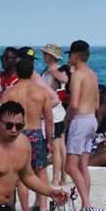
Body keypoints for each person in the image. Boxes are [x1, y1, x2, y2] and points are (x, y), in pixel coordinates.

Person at [0, 58, 53, 211]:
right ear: (32, 72)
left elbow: (0, 117)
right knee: (41, 171)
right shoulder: (41, 92)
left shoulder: (9, 92)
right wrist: (49, 140)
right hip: (36, 133)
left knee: (20, 174)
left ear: (16, 72)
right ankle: (43, 208)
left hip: (17, 134)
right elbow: (49, 119)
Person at [64, 40, 99, 211]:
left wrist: (67, 119)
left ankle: (86, 204)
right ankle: (86, 204)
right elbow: (98, 103)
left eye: (70, 55)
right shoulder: (92, 74)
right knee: (83, 165)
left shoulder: (78, 75)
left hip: (81, 119)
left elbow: (75, 103)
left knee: (70, 166)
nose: (69, 58)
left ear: (76, 56)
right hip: (92, 119)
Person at [40, 44, 69, 186]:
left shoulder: (53, 70)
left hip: (55, 113)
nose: (43, 56)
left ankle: (57, 177)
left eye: (45, 54)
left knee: (57, 146)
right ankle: (62, 176)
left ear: (50, 56)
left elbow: (64, 82)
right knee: (61, 145)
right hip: (59, 112)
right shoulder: (54, 69)